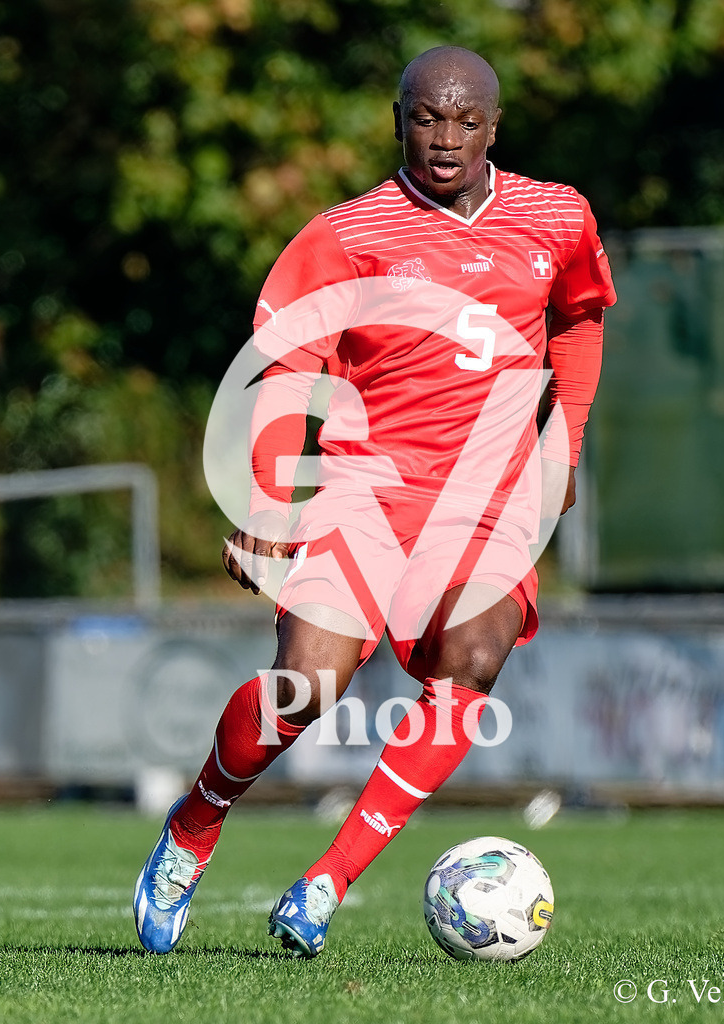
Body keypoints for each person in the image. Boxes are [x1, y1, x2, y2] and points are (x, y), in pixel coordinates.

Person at [133, 45, 616, 958]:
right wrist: (271, 498)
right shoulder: (350, 232)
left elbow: (579, 321)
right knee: (305, 688)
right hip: (364, 488)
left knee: (473, 654)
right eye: (427, 119)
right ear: (398, 121)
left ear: (493, 127)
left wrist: (566, 446)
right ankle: (196, 821)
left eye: (465, 121)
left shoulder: (556, 214)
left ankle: (327, 881)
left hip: (486, 498)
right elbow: (288, 368)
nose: (445, 139)